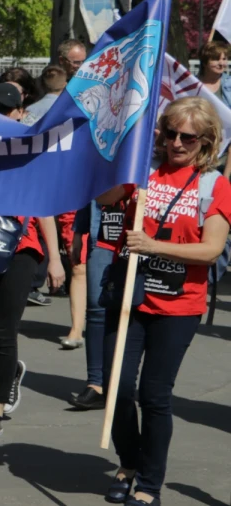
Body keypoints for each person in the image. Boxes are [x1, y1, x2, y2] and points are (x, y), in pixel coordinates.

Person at [94, 97, 231, 506]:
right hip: (130, 296)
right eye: (168, 133)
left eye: (186, 137)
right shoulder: (144, 170)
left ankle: (150, 484)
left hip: (179, 305)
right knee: (116, 387)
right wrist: (119, 155)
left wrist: (152, 246)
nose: (175, 143)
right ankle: (129, 463)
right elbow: (103, 198)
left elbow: (210, 251)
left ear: (205, 141)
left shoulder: (214, 185)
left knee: (155, 394)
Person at [0, 83, 65, 439]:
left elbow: (43, 208)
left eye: (6, 109)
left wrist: (54, 260)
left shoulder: (30, 153)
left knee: (4, 331)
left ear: (21, 112)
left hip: (21, 250)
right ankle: (10, 370)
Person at [67, 198, 126, 410]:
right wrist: (77, 234)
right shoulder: (102, 162)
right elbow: (90, 188)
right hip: (101, 237)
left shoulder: (152, 164)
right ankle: (96, 384)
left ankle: (122, 382)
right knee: (96, 307)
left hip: (141, 239)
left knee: (134, 311)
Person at [196, 40, 231, 107]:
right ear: (204, 62)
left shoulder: (229, 82)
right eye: (216, 59)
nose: (221, 63)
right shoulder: (192, 83)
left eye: (224, 59)